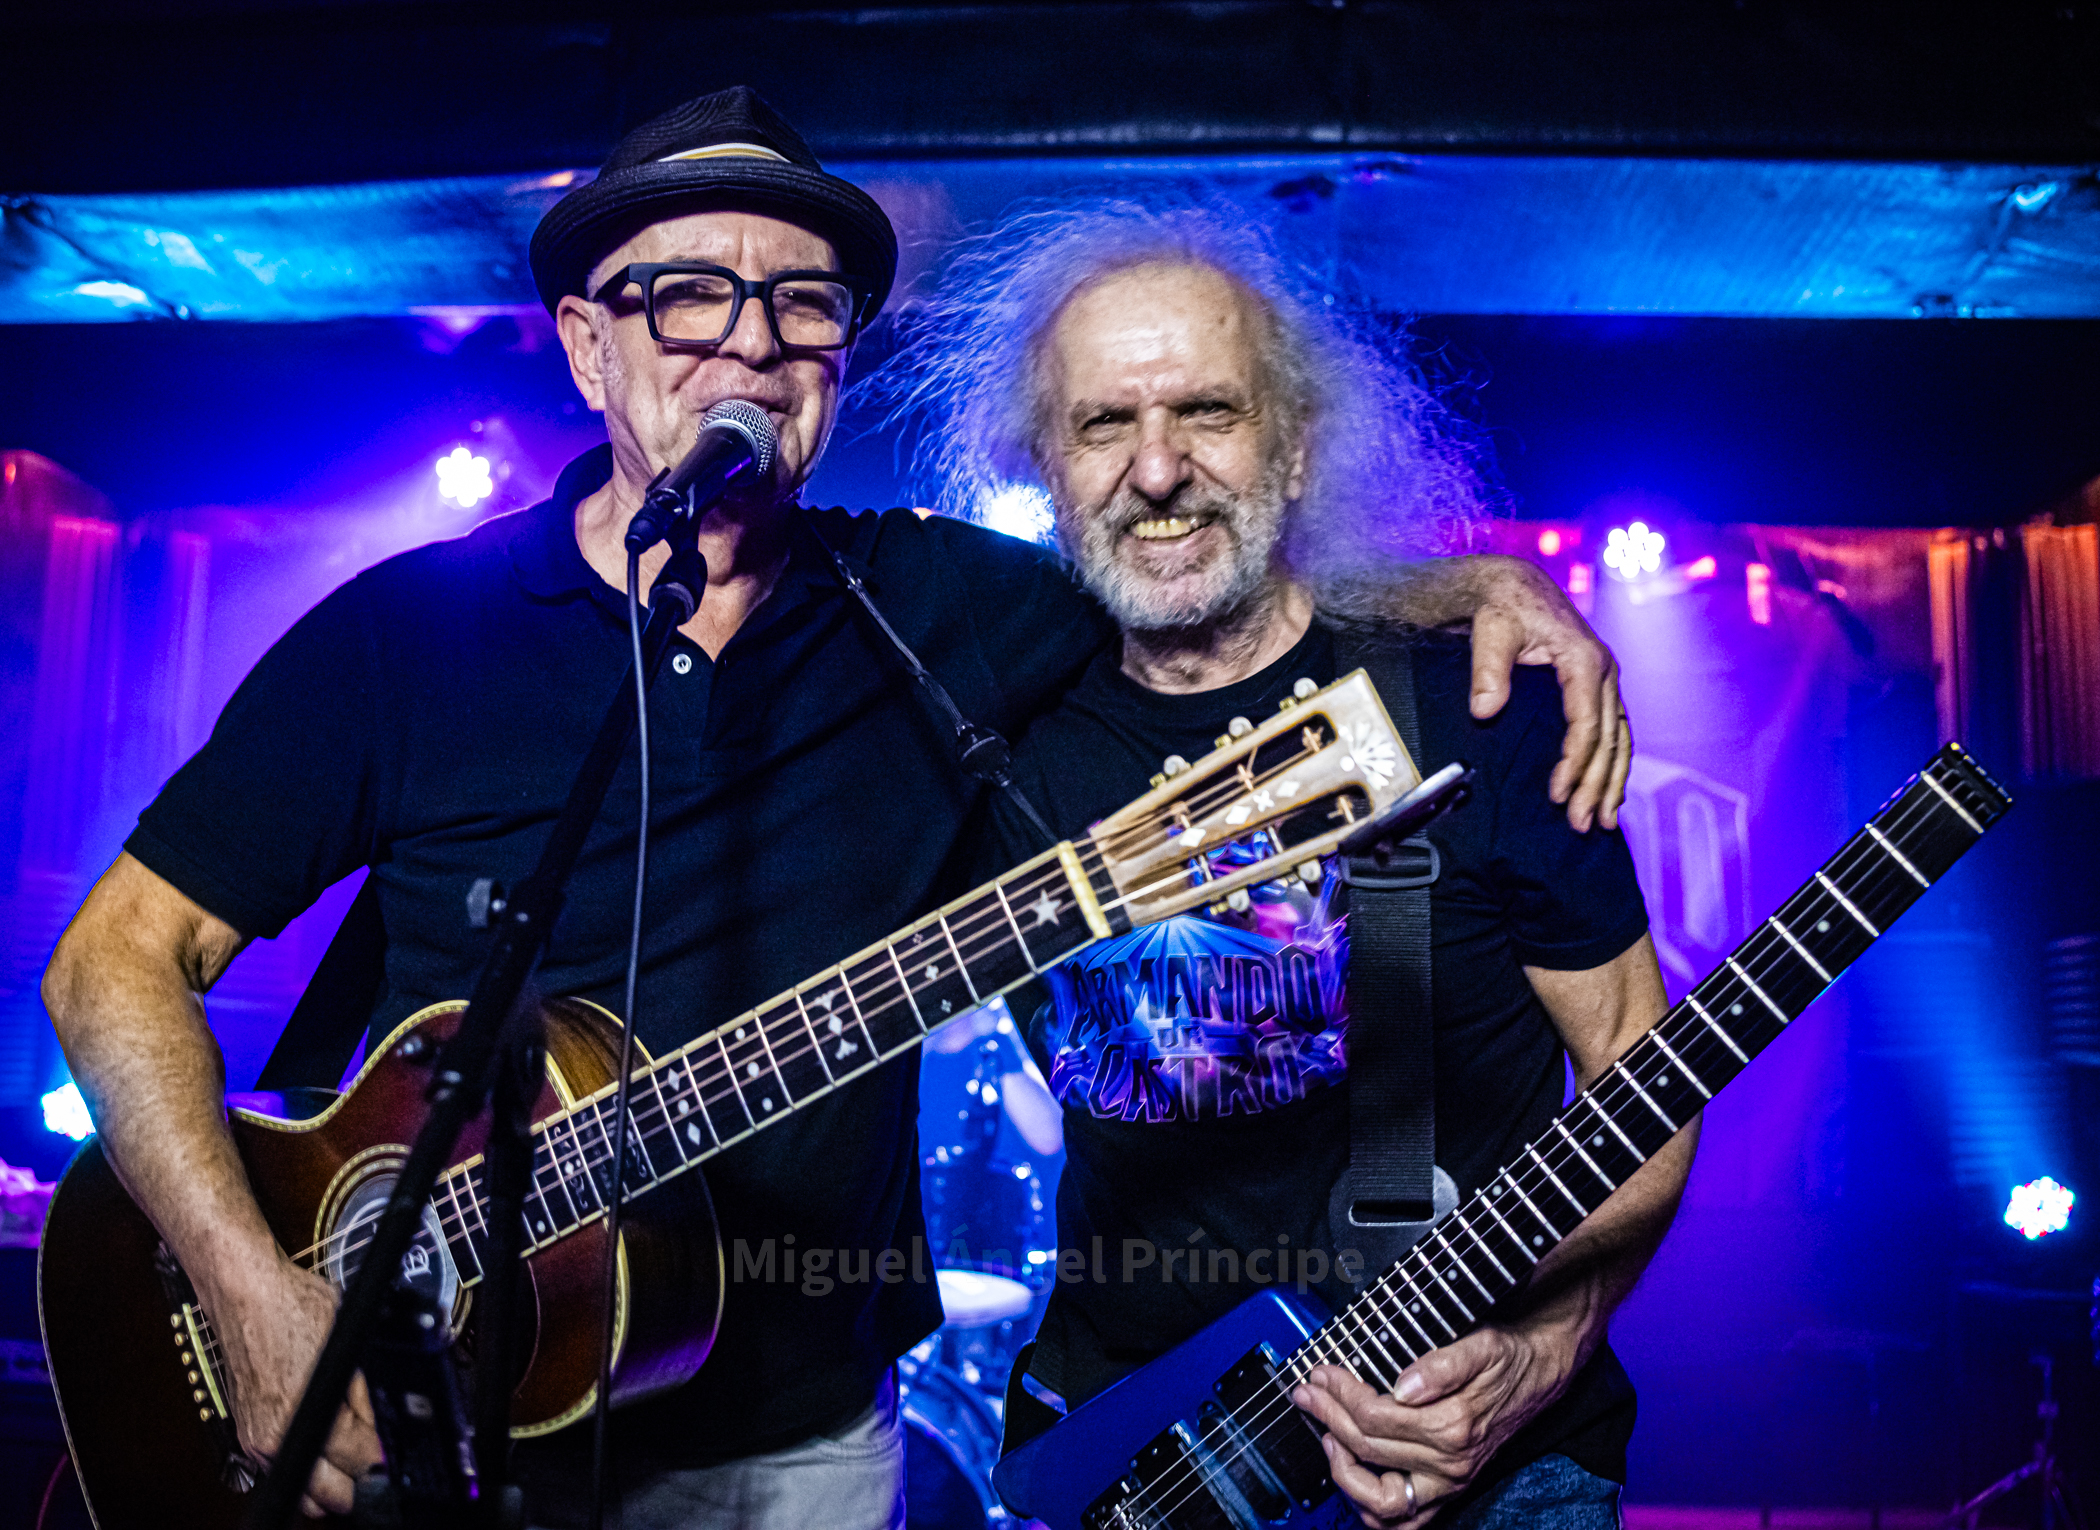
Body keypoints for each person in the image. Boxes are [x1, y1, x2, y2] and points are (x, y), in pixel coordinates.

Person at [42, 93, 1629, 1528]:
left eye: (802, 304)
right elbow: (112, 960)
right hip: (427, 1418)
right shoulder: (410, 638)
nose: (750, 345)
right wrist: (249, 1288)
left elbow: (1198, 563)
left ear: (838, 365)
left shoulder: (938, 608)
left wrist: (1481, 590)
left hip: (798, 1441)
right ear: (588, 346)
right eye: (689, 294)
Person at [902, 200, 1697, 1527]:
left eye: (1208, 412)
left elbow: (1642, 1071)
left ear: (1296, 444)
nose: (1159, 468)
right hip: (1127, 1452)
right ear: (1046, 463)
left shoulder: (1476, 702)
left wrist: (1547, 1345)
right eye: (1104, 424)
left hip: (1480, 1448)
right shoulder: (993, 750)